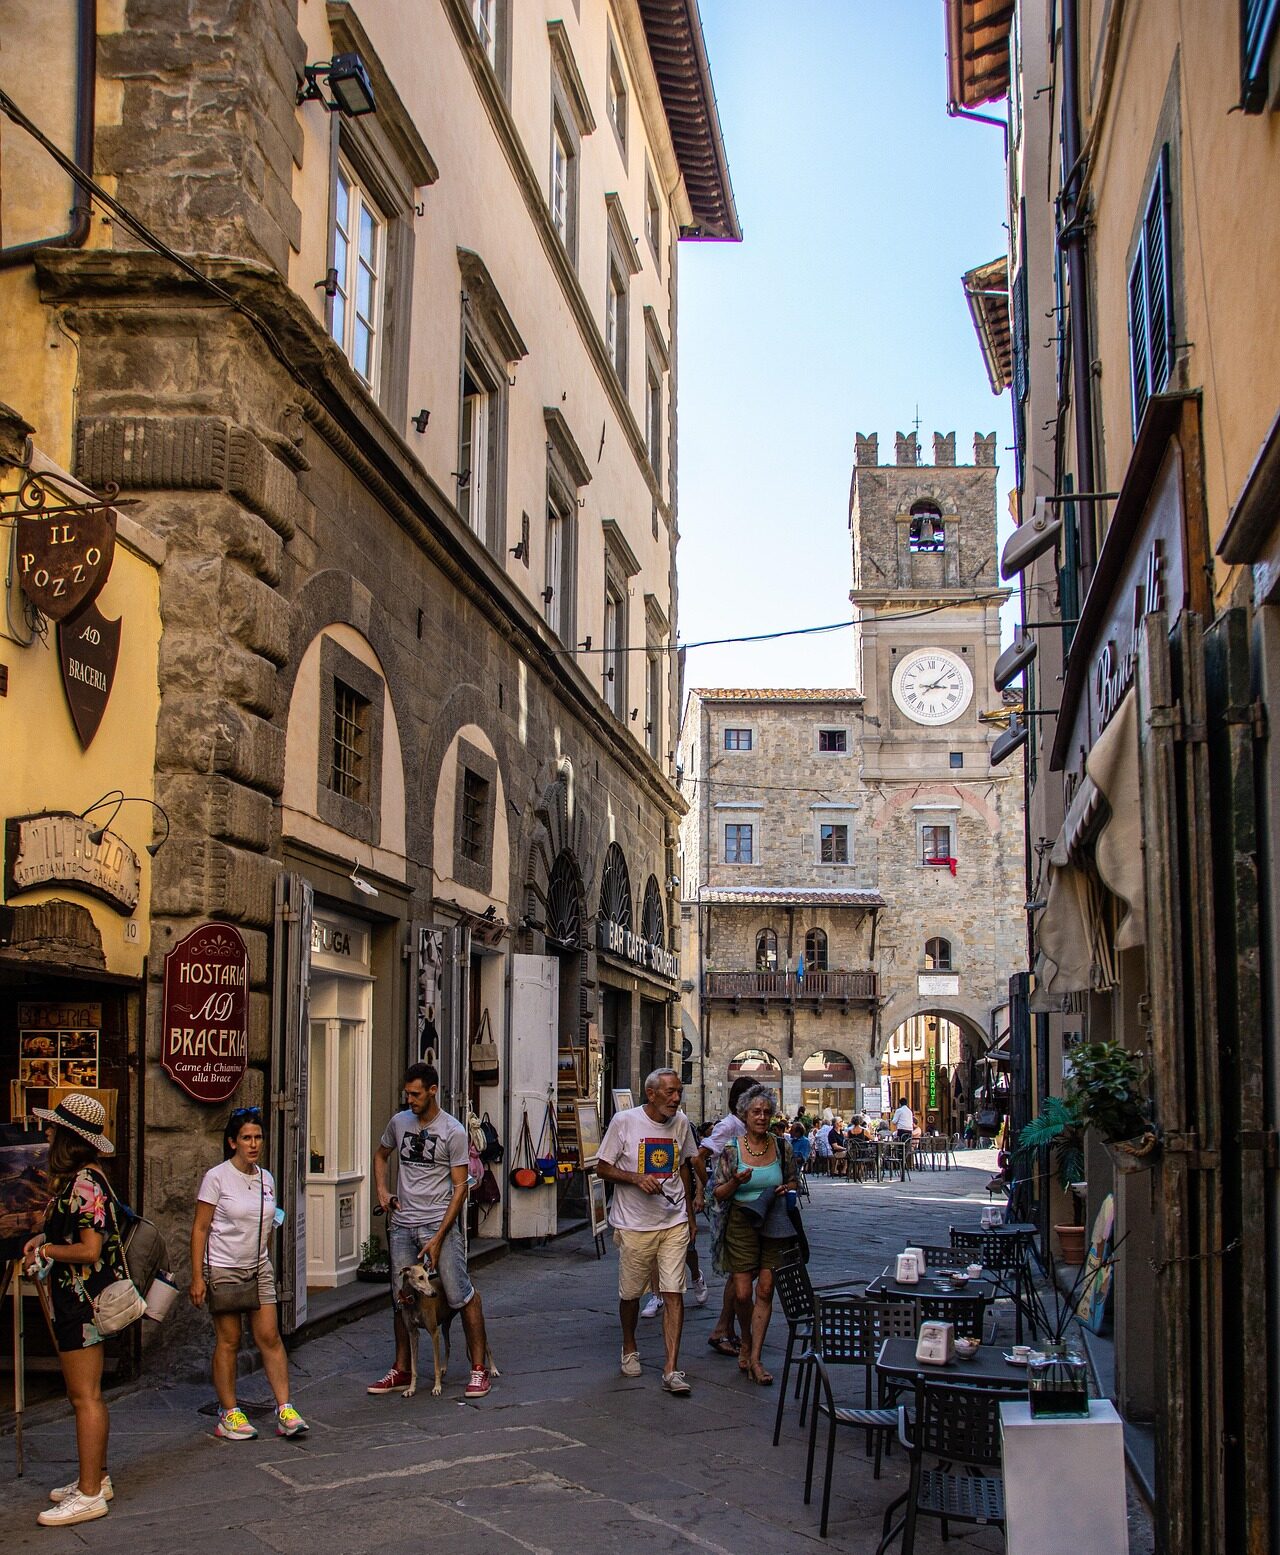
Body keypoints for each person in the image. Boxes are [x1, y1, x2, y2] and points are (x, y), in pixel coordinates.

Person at [23, 1095, 125, 1526]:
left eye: (54, 1128)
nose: (47, 1133)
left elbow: (88, 1250)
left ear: (69, 1138)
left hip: (82, 1304)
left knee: (85, 1397)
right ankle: (95, 1478)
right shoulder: (85, 1179)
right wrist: (44, 1239)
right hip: (80, 1301)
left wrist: (46, 1250)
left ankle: (89, 1494)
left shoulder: (84, 1183)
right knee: (86, 1395)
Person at [369, 1063, 494, 1400]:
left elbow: (460, 1188)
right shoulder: (399, 1123)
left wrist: (439, 1237)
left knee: (458, 1294)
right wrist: (383, 1192)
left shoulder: (453, 1131)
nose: (409, 1100)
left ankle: (479, 1368)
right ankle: (401, 1368)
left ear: (433, 1090)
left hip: (439, 1224)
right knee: (402, 1298)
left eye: (416, 1094)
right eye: (407, 1094)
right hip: (402, 1225)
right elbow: (381, 1156)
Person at [190, 1105, 307, 1441]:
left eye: (258, 1137)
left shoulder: (266, 1178)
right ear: (232, 1142)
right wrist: (198, 1277)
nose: (254, 1144)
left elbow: (268, 1223)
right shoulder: (217, 1178)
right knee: (229, 1340)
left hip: (258, 1268)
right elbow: (200, 1228)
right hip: (224, 1268)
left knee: (269, 1336)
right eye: (246, 1138)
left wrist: (263, 1256)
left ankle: (285, 1409)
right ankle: (229, 1413)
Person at [596, 1068, 699, 1394]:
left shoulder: (681, 1123)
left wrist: (690, 1213)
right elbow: (602, 1167)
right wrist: (635, 1178)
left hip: (673, 1220)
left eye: (679, 1091)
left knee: (673, 1291)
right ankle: (629, 1346)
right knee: (630, 1295)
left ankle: (671, 1368)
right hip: (634, 1223)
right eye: (670, 1092)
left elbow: (683, 1166)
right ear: (651, 1094)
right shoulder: (624, 1122)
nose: (676, 1098)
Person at [711, 1084, 799, 1386]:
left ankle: (756, 1358)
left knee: (765, 1289)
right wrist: (736, 1181)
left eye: (766, 1112)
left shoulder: (782, 1147)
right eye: (756, 1112)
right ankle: (745, 1342)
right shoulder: (732, 1149)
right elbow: (718, 1193)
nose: (761, 1117)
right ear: (744, 1115)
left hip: (774, 1221)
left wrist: (787, 1188)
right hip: (740, 1222)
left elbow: (793, 1181)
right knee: (741, 1293)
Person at [696, 1074, 754, 1356]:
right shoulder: (728, 1126)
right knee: (739, 1270)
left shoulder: (747, 1126)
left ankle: (727, 1329)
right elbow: (698, 1156)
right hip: (727, 1202)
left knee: (740, 1271)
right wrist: (707, 1188)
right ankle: (722, 1329)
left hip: (743, 1203)